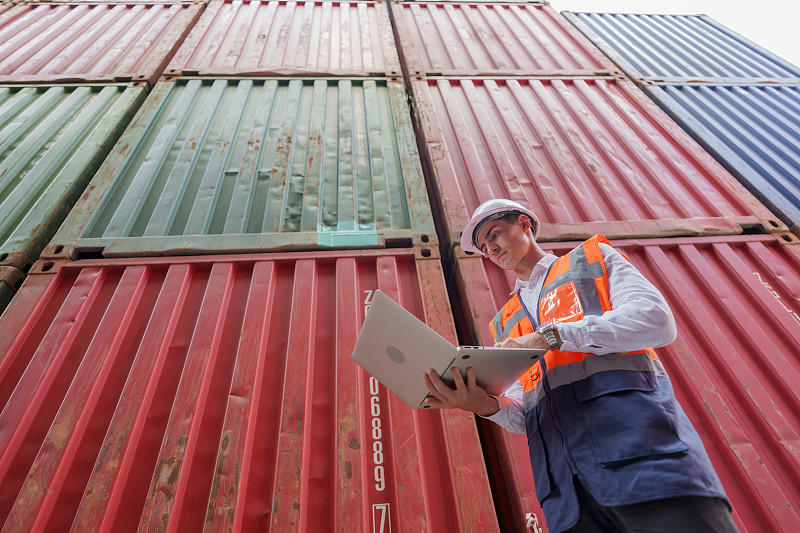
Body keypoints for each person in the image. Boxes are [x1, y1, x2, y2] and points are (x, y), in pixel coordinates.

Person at [422, 199, 739, 533]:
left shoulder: (591, 260)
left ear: (525, 225)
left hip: (644, 460)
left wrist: (552, 336)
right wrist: (485, 406)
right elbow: (525, 414)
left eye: (495, 234)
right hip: (568, 497)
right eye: (484, 247)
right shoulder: (506, 321)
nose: (491, 249)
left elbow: (657, 321)